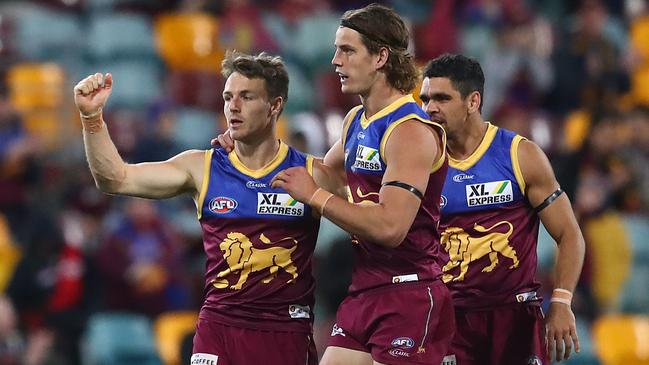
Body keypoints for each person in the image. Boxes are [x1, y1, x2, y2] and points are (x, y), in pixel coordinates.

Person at [212, 4, 454, 364]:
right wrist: (251, 148)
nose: (335, 60)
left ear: (380, 57)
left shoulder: (410, 132)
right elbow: (319, 173)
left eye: (347, 50)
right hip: (366, 290)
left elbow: (390, 227)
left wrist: (316, 196)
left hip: (411, 294)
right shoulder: (357, 120)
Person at [73, 51, 341, 365]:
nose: (233, 106)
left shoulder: (313, 174)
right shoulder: (202, 168)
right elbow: (115, 179)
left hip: (284, 332)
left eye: (246, 96)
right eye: (228, 97)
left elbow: (377, 220)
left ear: (275, 105)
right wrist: (92, 119)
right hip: (218, 327)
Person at [419, 53, 585, 364]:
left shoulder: (520, 155)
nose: (430, 108)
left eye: (441, 98)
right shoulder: (417, 164)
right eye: (425, 99)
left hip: (515, 319)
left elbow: (569, 234)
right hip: (449, 320)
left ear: (473, 101)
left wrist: (562, 302)